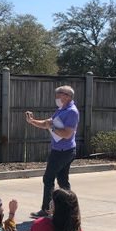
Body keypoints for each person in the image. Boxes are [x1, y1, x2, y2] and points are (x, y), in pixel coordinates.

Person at [24, 85, 79, 218]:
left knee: (48, 178)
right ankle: (69, 209)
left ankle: (46, 210)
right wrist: (32, 121)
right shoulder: (61, 109)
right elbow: (46, 123)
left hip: (63, 151)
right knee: (62, 180)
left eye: (58, 94)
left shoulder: (72, 112)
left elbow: (66, 134)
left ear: (66, 95)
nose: (56, 97)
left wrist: (52, 127)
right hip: (61, 150)